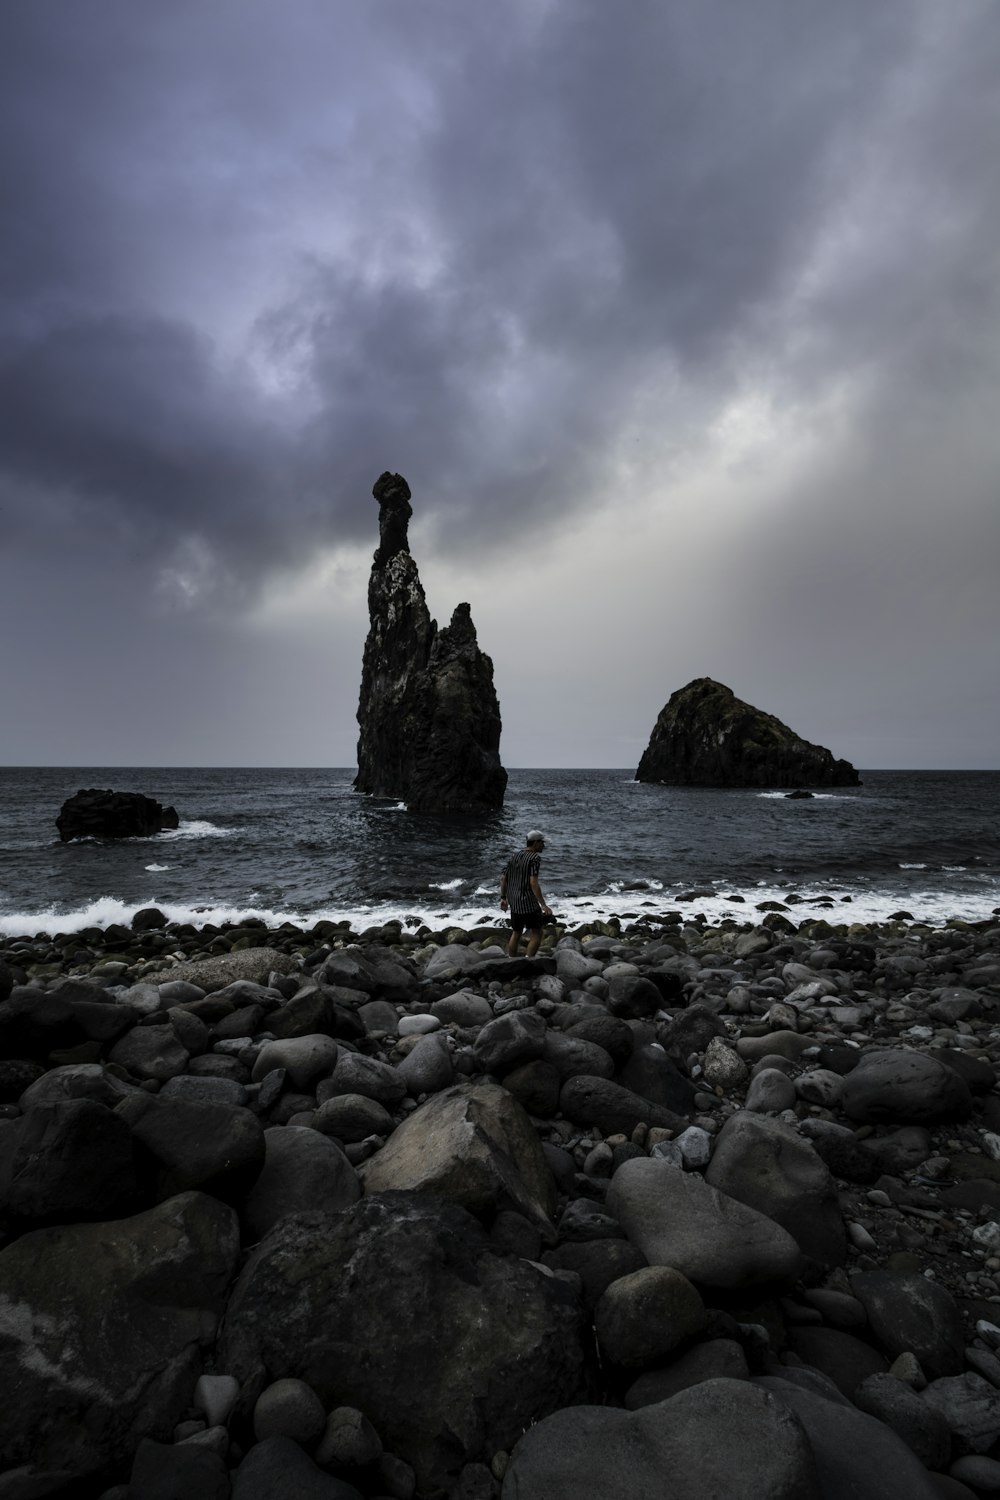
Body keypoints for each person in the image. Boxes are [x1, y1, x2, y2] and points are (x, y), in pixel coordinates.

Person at [499, 830, 552, 957]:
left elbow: (503, 878)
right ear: (535, 843)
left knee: (516, 932)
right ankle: (529, 960)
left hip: (514, 902)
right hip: (528, 902)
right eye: (542, 843)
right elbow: (533, 882)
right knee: (537, 932)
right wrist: (543, 905)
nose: (544, 846)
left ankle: (511, 959)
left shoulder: (514, 856)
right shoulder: (535, 858)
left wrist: (503, 897)